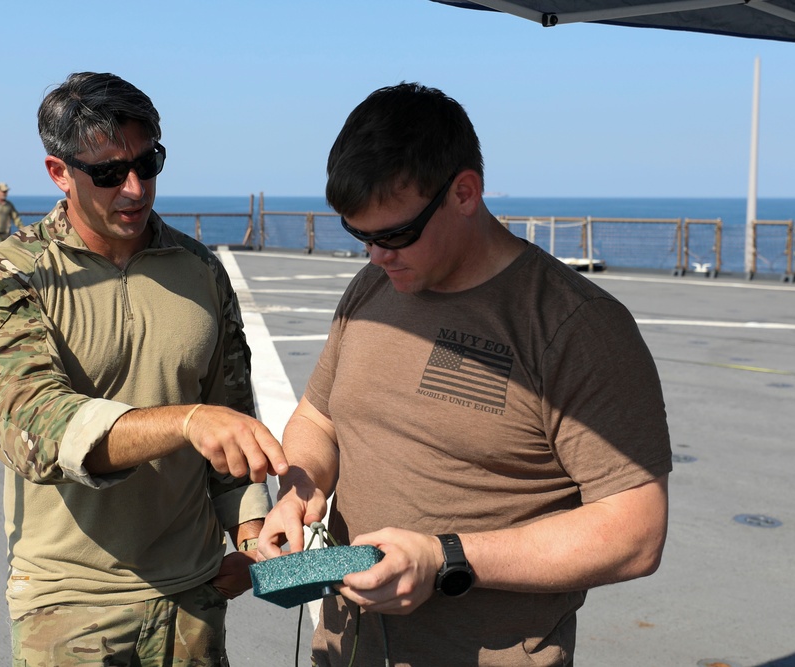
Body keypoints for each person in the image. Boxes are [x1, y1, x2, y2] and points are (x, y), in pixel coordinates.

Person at [257, 82, 672, 666]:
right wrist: (302, 490)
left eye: (396, 234)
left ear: (465, 192)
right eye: (360, 237)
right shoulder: (373, 285)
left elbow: (636, 532)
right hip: (346, 649)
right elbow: (318, 416)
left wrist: (444, 559)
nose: (377, 255)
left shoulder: (576, 328)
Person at [0, 71, 289, 665]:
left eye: (148, 163)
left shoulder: (202, 272)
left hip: (194, 590)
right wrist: (187, 422)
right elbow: (33, 430)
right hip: (69, 603)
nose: (134, 188)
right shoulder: (7, 277)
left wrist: (253, 533)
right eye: (108, 173)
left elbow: (230, 420)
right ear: (59, 172)